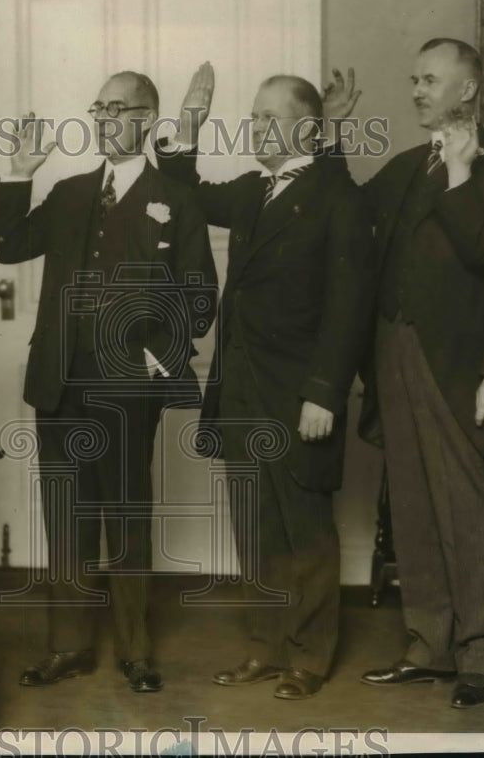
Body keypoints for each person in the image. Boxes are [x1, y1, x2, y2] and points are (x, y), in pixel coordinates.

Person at [0, 71, 218, 692]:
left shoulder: (175, 195)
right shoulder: (67, 192)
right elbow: (8, 249)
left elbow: (200, 293)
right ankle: (67, 646)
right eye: (99, 107)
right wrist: (18, 173)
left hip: (127, 387)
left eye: (118, 108)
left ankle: (136, 652)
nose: (103, 117)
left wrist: (160, 358)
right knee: (66, 516)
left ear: (148, 119)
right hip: (58, 382)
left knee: (125, 515)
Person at [156, 65, 375, 700]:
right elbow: (185, 190)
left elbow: (348, 306)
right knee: (255, 526)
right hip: (243, 389)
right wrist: (189, 124)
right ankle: (266, 647)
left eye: (268, 119)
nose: (255, 129)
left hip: (299, 394)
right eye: (251, 117)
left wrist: (324, 392)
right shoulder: (254, 189)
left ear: (308, 128)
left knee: (304, 529)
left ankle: (308, 655)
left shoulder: (340, 195)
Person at [344, 38, 484, 708]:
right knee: (415, 504)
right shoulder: (403, 167)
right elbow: (345, 211)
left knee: (468, 510)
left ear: (466, 90)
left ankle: (478, 650)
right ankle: (428, 645)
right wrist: (334, 132)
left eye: (430, 80)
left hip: (460, 366)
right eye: (414, 79)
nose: (418, 90)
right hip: (394, 352)